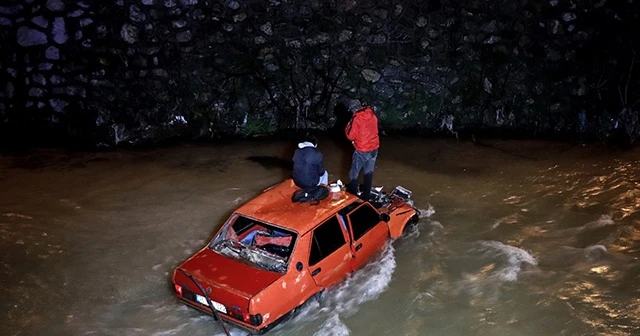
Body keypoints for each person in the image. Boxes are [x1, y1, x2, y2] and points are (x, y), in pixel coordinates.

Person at [344, 99, 379, 201]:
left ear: (353, 109)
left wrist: (347, 127)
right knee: (368, 173)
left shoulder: (356, 118)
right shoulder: (372, 114)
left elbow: (351, 136)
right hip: (374, 148)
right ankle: (366, 195)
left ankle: (353, 196)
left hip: (362, 150)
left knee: (353, 174)